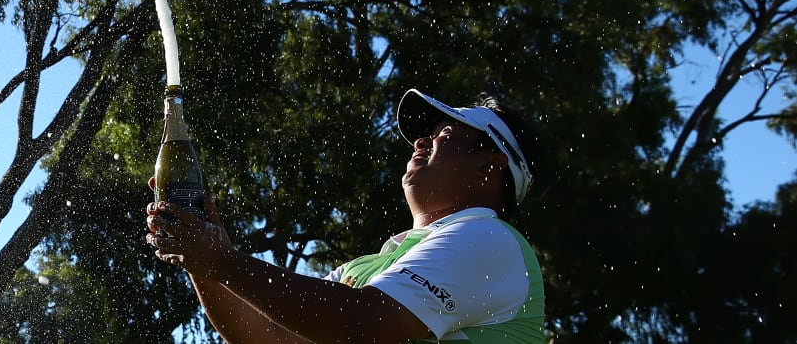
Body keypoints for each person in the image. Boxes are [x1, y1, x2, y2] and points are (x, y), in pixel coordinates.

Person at [146, 88, 545, 343]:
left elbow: (363, 323)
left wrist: (224, 261)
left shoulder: (491, 239)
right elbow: (265, 335)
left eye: (443, 136)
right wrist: (201, 259)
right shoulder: (369, 268)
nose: (420, 140)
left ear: (488, 169)